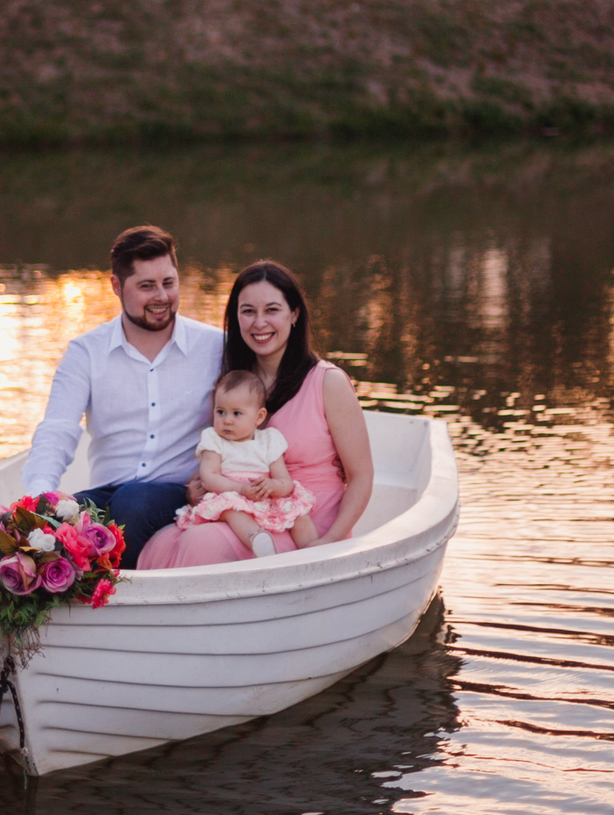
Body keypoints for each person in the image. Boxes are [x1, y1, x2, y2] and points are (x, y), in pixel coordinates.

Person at [138, 260, 374, 570]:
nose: (259, 323)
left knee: (201, 543)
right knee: (163, 540)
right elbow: (223, 454)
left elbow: (361, 476)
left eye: (272, 310)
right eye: (248, 311)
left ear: (294, 314)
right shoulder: (233, 386)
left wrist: (330, 541)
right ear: (236, 318)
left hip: (308, 524)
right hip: (247, 514)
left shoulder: (328, 382)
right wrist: (198, 487)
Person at [21, 224, 222, 569]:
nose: (161, 296)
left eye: (169, 283)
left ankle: (116, 599)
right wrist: (41, 496)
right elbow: (57, 429)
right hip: (108, 494)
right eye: (146, 286)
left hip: (180, 492)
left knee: (134, 501)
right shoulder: (86, 352)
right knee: (44, 530)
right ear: (117, 286)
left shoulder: (216, 347)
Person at [174, 368, 317, 557]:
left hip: (263, 495)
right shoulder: (214, 439)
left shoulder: (269, 440)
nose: (227, 421)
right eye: (221, 412)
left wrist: (273, 486)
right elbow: (209, 477)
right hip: (229, 493)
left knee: (298, 514)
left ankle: (315, 552)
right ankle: (258, 539)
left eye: (236, 414)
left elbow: (285, 481)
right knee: (232, 510)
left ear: (259, 417)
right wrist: (240, 490)